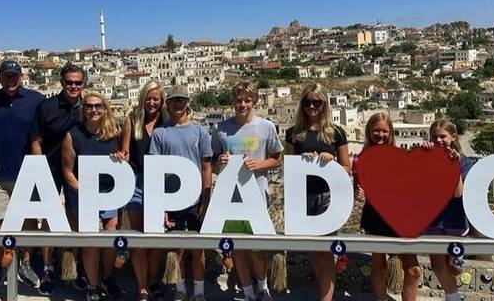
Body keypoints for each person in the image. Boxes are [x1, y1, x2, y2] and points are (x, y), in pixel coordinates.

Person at [211, 81, 283, 301]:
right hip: (230, 196)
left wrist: (259, 165)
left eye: (247, 100)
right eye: (238, 100)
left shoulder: (266, 127)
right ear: (232, 102)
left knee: (257, 248)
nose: (242, 104)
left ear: (255, 101)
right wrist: (219, 161)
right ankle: (248, 292)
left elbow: (277, 159)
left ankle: (263, 288)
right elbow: (213, 163)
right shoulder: (221, 129)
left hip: (257, 194)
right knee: (238, 248)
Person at [0, 60, 45, 290]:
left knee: (27, 221)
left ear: (21, 76)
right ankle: (0, 266)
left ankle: (25, 263)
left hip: (26, 173)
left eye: (14, 76)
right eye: (6, 76)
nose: (10, 80)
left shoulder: (36, 100)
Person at [284, 83, 351, 301]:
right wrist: (301, 161)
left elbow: (347, 168)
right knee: (315, 252)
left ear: (324, 104)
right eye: (307, 102)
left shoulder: (336, 133)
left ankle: (326, 298)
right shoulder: (293, 134)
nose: (312, 106)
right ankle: (323, 292)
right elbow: (289, 167)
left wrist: (330, 163)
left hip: (327, 198)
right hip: (303, 198)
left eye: (317, 102)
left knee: (326, 252)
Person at [149, 85, 213, 301]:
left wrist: (206, 199)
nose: (177, 104)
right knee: (176, 249)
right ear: (167, 104)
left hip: (195, 199)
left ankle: (199, 292)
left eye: (181, 100)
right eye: (173, 100)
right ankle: (180, 291)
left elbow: (206, 167)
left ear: (188, 103)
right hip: (172, 200)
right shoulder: (160, 134)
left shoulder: (200, 132)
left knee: (198, 249)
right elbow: (156, 170)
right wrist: (161, 206)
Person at [61, 92, 124, 301]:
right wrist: (82, 192)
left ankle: (108, 277)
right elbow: (67, 170)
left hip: (110, 192)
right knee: (90, 240)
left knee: (111, 233)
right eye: (89, 106)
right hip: (84, 193)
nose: (94, 110)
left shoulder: (115, 132)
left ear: (105, 109)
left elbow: (126, 158)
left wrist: (120, 158)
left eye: (98, 106)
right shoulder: (73, 135)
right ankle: (93, 284)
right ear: (83, 109)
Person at [31, 63, 86, 295]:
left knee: (76, 217)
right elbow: (36, 140)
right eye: (69, 82)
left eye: (77, 82)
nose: (73, 86)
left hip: (78, 170)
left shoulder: (90, 106)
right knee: (49, 218)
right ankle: (47, 267)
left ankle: (73, 265)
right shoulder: (47, 107)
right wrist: (39, 169)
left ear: (83, 84)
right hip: (51, 169)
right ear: (61, 83)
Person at [354, 112, 422, 301]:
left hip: (401, 217)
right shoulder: (360, 159)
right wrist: (359, 194)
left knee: (413, 269)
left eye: (385, 131)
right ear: (369, 131)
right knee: (378, 263)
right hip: (374, 216)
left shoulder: (401, 156)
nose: (381, 135)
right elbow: (359, 191)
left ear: (391, 132)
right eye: (377, 131)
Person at [112, 81, 167, 301]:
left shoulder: (167, 122)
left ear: (161, 101)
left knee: (155, 238)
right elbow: (125, 151)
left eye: (156, 99)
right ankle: (142, 286)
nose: (152, 102)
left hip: (160, 184)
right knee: (137, 236)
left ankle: (153, 282)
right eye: (148, 98)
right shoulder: (132, 122)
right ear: (142, 98)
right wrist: (119, 157)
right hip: (135, 183)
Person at [417, 119, 474, 301]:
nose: (439, 140)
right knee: (437, 264)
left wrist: (454, 165)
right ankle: (454, 297)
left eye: (443, 136)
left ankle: (452, 293)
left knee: (452, 266)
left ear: (453, 137)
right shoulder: (428, 158)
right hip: (434, 222)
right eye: (435, 137)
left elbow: (458, 193)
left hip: (455, 221)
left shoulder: (465, 163)